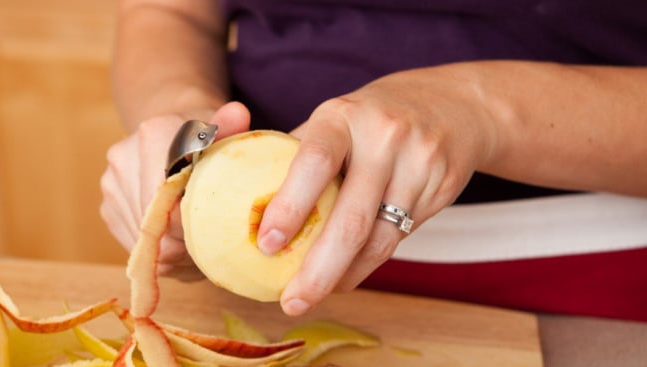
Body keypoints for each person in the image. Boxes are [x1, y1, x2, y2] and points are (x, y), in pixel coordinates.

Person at [99, 0, 647, 322]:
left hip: (588, 295)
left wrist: (484, 108)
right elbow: (168, 12)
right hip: (267, 302)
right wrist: (180, 121)